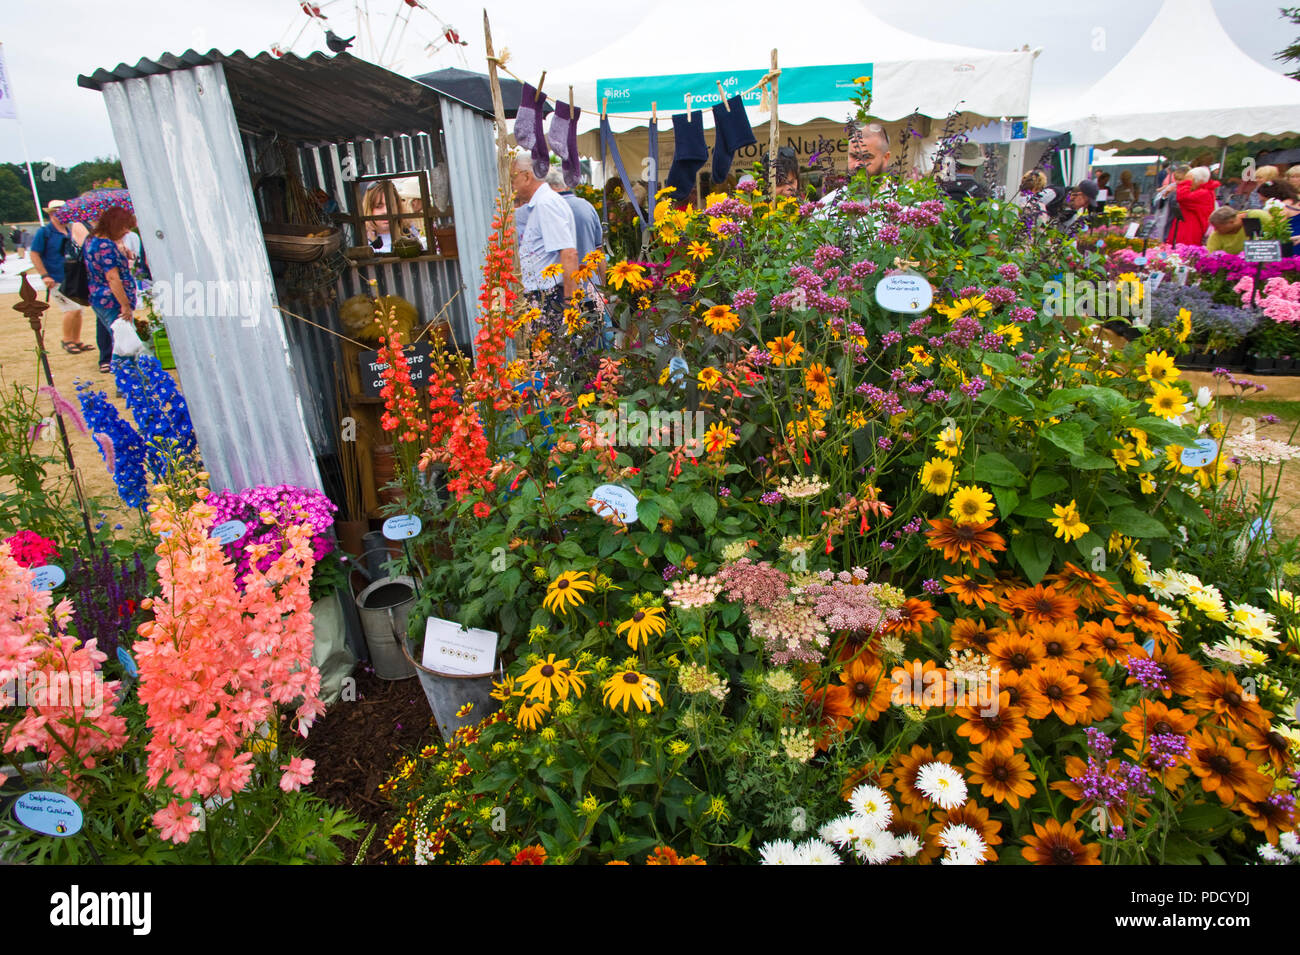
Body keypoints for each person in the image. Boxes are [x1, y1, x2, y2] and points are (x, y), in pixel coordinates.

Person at [511, 154, 578, 316]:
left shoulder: (546, 204)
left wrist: (570, 307)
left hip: (550, 299)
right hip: (544, 296)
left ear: (527, 176)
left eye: (513, 179)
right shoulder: (540, 203)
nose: (512, 186)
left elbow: (569, 254)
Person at [28, 200, 91, 353]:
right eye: (56, 212)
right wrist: (44, 275)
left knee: (78, 309)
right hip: (54, 277)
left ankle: (76, 340)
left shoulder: (69, 231)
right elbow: (34, 254)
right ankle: (67, 339)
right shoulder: (45, 232)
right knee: (71, 309)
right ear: (50, 214)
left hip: (70, 276)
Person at [83, 206, 139, 373]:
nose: (127, 232)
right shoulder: (105, 245)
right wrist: (125, 305)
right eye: (125, 227)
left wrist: (123, 253)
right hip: (112, 300)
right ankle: (126, 381)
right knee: (124, 344)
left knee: (120, 340)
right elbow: (112, 277)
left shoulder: (92, 239)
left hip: (99, 297)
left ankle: (127, 378)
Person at [545, 166, 604, 282]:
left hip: (562, 288)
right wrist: (603, 288)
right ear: (566, 185)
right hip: (592, 285)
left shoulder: (548, 209)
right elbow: (599, 251)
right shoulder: (587, 206)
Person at [817, 123, 891, 210]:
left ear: (885, 158)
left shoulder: (903, 203)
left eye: (866, 157)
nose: (857, 165)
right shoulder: (826, 207)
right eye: (853, 156)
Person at [1169, 166, 1219, 245]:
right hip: (1186, 229)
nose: (1189, 183)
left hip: (1190, 232)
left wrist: (1186, 182)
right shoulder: (1203, 191)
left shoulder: (1204, 193)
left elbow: (1182, 198)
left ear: (1200, 181)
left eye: (1191, 180)